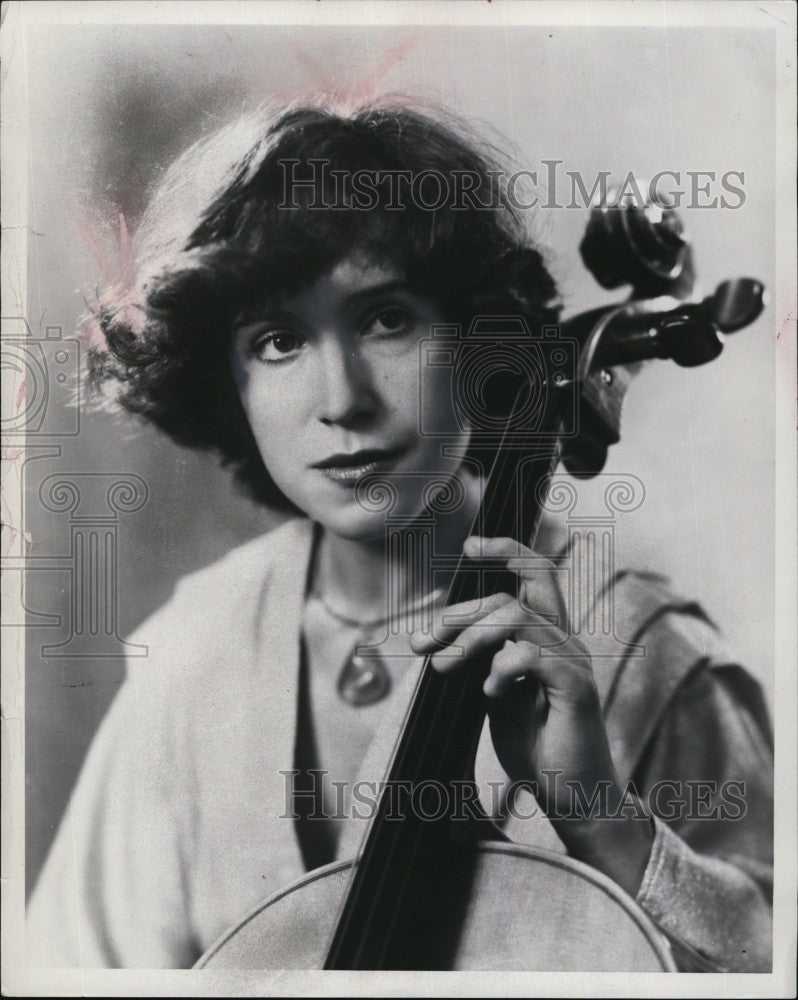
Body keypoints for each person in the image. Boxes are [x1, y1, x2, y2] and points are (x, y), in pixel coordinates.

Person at [26, 100, 773, 972]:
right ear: (227, 382)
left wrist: (605, 816)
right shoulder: (192, 651)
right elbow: (75, 969)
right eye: (278, 341)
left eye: (386, 320)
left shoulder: (649, 653)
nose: (342, 399)